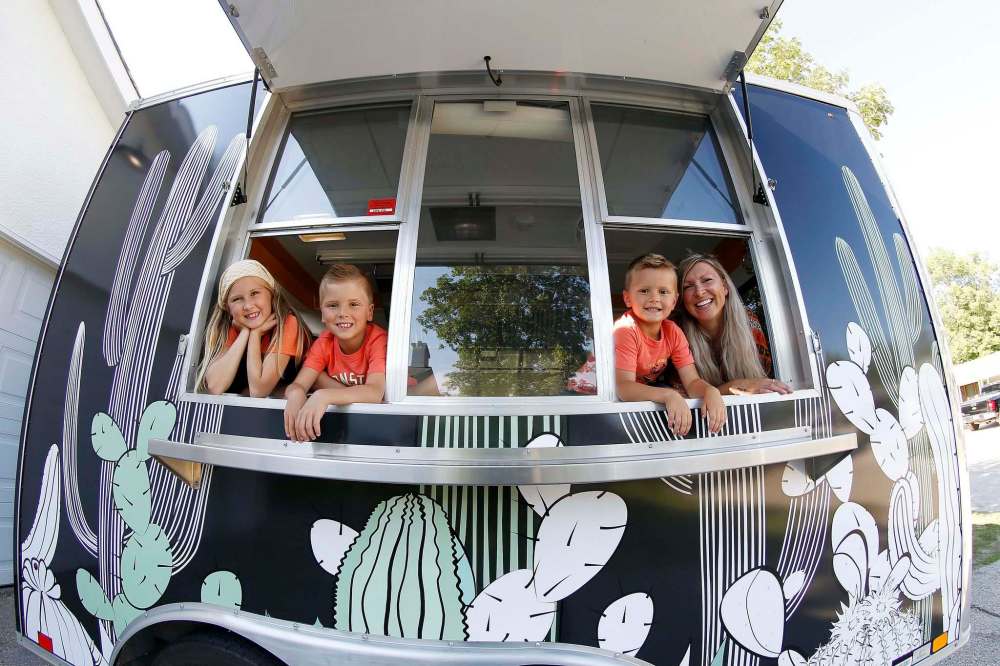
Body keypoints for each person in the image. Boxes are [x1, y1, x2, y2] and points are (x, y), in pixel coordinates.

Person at [614, 253, 726, 435]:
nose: (654, 298)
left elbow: (692, 381)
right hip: (591, 395)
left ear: (674, 301)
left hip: (633, 394)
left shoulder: (673, 331)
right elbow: (623, 388)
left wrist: (710, 391)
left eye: (663, 292)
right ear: (627, 298)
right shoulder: (625, 330)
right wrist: (668, 395)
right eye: (644, 291)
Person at [284, 264, 387, 441]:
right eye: (333, 305)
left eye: (354, 304)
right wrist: (295, 394)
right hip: (354, 418)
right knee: (316, 377)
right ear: (322, 313)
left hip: (396, 402)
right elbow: (299, 384)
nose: (343, 313)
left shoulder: (378, 339)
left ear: (370, 312)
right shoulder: (324, 342)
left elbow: (375, 393)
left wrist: (323, 395)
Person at [676, 253, 792, 395]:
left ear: (724, 287)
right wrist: (737, 386)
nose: (699, 292)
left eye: (707, 280)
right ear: (682, 298)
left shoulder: (749, 321)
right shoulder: (676, 335)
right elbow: (684, 399)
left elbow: (763, 382)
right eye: (688, 286)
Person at [197, 260, 309, 397]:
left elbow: (259, 391)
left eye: (255, 293)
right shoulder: (233, 328)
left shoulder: (288, 323)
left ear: (272, 295)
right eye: (237, 299)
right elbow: (215, 386)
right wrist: (245, 332)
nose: (248, 305)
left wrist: (255, 335)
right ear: (228, 308)